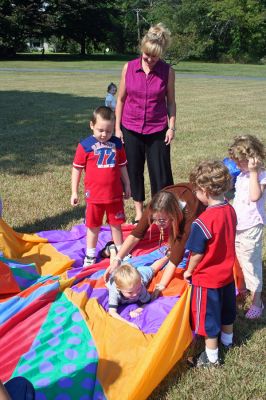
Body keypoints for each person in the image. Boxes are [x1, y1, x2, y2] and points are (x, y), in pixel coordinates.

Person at [115, 23, 176, 223]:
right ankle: (139, 213)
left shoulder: (167, 71)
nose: (150, 60)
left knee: (160, 173)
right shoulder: (129, 68)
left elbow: (171, 102)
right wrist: (117, 128)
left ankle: (159, 213)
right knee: (134, 170)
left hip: (158, 128)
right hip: (130, 127)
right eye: (146, 55)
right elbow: (121, 100)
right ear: (142, 50)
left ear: (161, 54)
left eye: (154, 57)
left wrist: (171, 127)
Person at [104, 183, 205, 295]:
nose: (156, 224)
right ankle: (113, 250)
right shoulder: (155, 206)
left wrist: (161, 285)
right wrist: (117, 260)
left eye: (161, 221)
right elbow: (136, 234)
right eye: (154, 219)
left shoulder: (189, 215)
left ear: (173, 215)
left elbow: (175, 258)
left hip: (196, 206)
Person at [184, 160, 237, 367]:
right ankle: (228, 342)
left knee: (209, 321)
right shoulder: (230, 210)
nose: (196, 195)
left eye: (196, 191)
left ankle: (211, 359)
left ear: (205, 191)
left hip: (207, 280)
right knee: (227, 313)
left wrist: (189, 270)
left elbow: (197, 253)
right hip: (227, 275)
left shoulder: (203, 221)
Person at [71, 106, 131, 268]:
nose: (104, 134)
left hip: (114, 195)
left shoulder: (117, 144)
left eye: (109, 131)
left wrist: (127, 184)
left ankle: (120, 251)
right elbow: (76, 169)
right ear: (91, 125)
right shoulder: (84, 146)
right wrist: (74, 191)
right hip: (95, 196)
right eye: (100, 130)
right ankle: (90, 255)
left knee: (116, 224)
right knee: (93, 225)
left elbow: (123, 165)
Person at [228, 135, 266, 319]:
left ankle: (258, 301)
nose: (237, 166)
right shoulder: (242, 175)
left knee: (251, 263)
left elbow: (254, 196)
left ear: (253, 159)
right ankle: (243, 289)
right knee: (240, 261)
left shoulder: (261, 175)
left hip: (251, 227)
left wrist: (253, 172)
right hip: (239, 225)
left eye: (240, 162)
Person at [107, 262, 161, 329]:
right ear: (119, 289)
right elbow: (112, 312)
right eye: (130, 292)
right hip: (119, 280)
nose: (135, 294)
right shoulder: (115, 292)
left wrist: (137, 310)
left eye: (138, 289)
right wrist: (129, 324)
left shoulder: (140, 286)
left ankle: (167, 256)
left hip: (142, 274)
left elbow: (148, 302)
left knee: (153, 268)